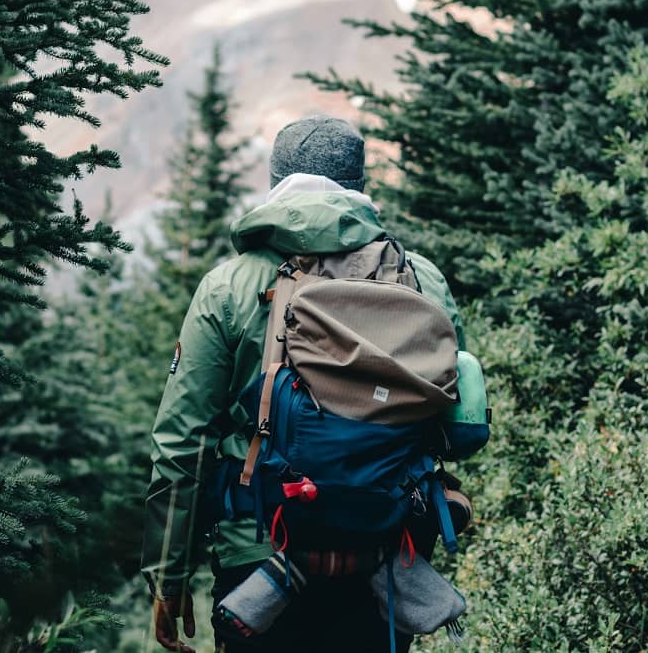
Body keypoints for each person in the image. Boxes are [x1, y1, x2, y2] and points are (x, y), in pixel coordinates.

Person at [141, 115, 466, 653]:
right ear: (359, 186)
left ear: (275, 185)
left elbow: (182, 444)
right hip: (387, 556)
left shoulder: (230, 284)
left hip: (261, 554)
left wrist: (167, 577)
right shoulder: (420, 278)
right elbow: (457, 423)